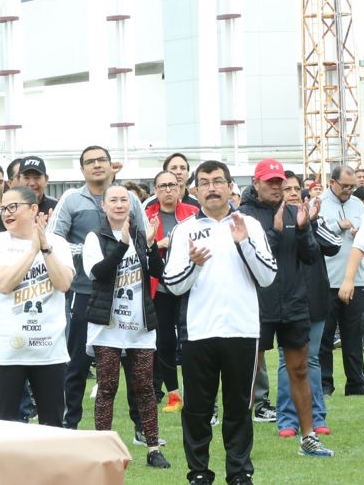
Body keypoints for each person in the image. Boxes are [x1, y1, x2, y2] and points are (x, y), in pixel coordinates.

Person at [162, 160, 277, 485]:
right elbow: (173, 284)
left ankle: (239, 473)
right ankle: (199, 472)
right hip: (199, 331)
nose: (212, 187)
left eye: (218, 181)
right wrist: (195, 265)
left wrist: (244, 244)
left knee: (239, 407)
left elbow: (267, 278)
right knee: (197, 410)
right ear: (194, 190)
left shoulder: (250, 225)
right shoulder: (185, 229)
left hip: (242, 330)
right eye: (205, 182)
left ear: (230, 187)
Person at [239, 159, 332, 458]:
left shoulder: (295, 211)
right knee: (248, 373)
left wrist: (305, 228)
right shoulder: (243, 216)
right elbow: (248, 257)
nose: (277, 186)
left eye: (280, 180)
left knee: (300, 369)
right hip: (257, 305)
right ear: (256, 183)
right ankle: (239, 439)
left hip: (293, 302)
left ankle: (309, 436)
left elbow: (310, 256)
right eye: (270, 181)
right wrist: (276, 233)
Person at [52, 144, 148, 432]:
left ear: (111, 165)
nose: (97, 165)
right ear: (82, 169)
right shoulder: (71, 200)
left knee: (135, 363)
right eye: (90, 161)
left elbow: (142, 237)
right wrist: (90, 250)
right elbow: (53, 241)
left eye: (101, 160)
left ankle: (142, 429)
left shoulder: (128, 198)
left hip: (128, 295)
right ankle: (70, 425)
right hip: (85, 290)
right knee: (78, 362)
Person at [82, 185, 168, 470]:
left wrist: (153, 246)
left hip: (139, 324)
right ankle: (102, 448)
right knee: (107, 387)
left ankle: (153, 448)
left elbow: (157, 272)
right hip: (108, 326)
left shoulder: (142, 236)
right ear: (103, 206)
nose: (119, 205)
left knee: (144, 387)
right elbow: (99, 273)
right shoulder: (95, 237)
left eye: (124, 200)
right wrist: (121, 244)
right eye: (113, 200)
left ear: (131, 206)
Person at [0, 186, 71, 426]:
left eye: (12, 207)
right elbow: (4, 283)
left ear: (33, 209)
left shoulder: (58, 243)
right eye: (2, 209)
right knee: (4, 424)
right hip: (7, 352)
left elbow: (63, 283)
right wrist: (32, 251)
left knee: (52, 424)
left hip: (49, 350)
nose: (6, 213)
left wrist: (44, 247)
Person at [276, 170, 343, 441]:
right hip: (284, 301)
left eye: (296, 188)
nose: (292, 193)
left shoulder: (315, 217)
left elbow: (334, 245)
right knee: (285, 360)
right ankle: (287, 419)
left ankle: (317, 416)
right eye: (286, 189)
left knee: (311, 358)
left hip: (314, 298)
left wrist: (311, 224)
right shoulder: (274, 221)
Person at [319, 163, 364, 398]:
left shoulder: (358, 204)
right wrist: (337, 226)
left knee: (353, 334)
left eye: (353, 187)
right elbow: (317, 233)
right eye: (345, 186)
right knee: (325, 335)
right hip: (328, 279)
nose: (349, 191)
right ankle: (324, 383)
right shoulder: (320, 203)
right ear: (332, 182)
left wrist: (359, 231)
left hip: (357, 278)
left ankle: (356, 383)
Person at [145, 166, 197, 412]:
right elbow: (139, 248)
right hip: (160, 289)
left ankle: (195, 390)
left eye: (172, 185)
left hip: (190, 287)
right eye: (162, 186)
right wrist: (158, 243)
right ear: (155, 190)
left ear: (180, 189)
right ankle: (174, 394)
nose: (168, 190)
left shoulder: (193, 213)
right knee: (164, 340)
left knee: (191, 340)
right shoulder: (146, 215)